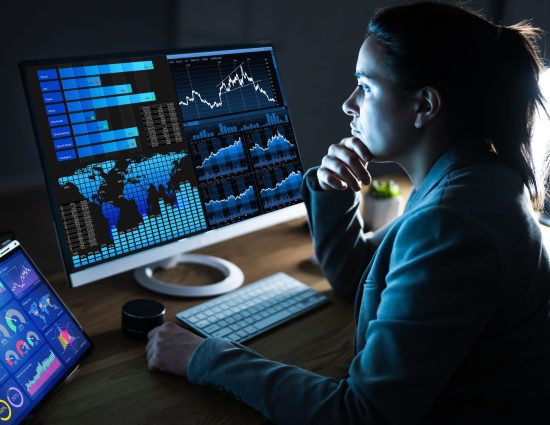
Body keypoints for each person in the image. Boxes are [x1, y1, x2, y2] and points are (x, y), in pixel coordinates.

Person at [145, 2, 550, 423]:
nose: (348, 104)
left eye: (366, 86)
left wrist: (206, 357)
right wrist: (331, 190)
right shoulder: (481, 180)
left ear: (425, 105)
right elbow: (356, 275)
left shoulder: (451, 224)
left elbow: (360, 414)